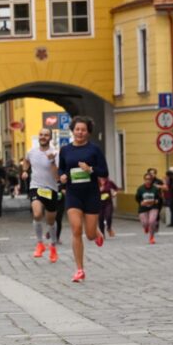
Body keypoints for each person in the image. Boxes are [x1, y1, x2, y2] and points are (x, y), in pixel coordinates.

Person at [58, 116, 108, 282]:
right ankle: (79, 269)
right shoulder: (65, 150)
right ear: (73, 131)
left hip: (91, 194)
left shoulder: (94, 149)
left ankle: (96, 232)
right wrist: (62, 176)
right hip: (73, 194)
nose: (80, 132)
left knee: (90, 235)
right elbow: (61, 169)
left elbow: (104, 172)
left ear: (88, 132)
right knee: (76, 229)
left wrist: (90, 169)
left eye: (83, 130)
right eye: (77, 129)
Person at [22, 128, 60, 262]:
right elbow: (26, 161)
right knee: (37, 214)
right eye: (41, 135)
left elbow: (57, 176)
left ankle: (53, 246)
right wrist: (25, 170)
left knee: (50, 221)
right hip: (36, 187)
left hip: (51, 189)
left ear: (50, 138)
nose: (43, 137)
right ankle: (40, 243)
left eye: (46, 135)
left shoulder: (55, 153)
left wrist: (52, 161)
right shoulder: (32, 152)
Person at [136, 173, 163, 244]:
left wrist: (156, 201)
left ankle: (151, 237)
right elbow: (137, 198)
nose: (148, 181)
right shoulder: (140, 188)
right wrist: (141, 202)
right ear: (144, 180)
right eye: (146, 179)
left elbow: (159, 197)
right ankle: (146, 227)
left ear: (151, 180)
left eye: (149, 179)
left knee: (152, 221)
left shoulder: (155, 188)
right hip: (143, 208)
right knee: (145, 223)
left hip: (153, 207)